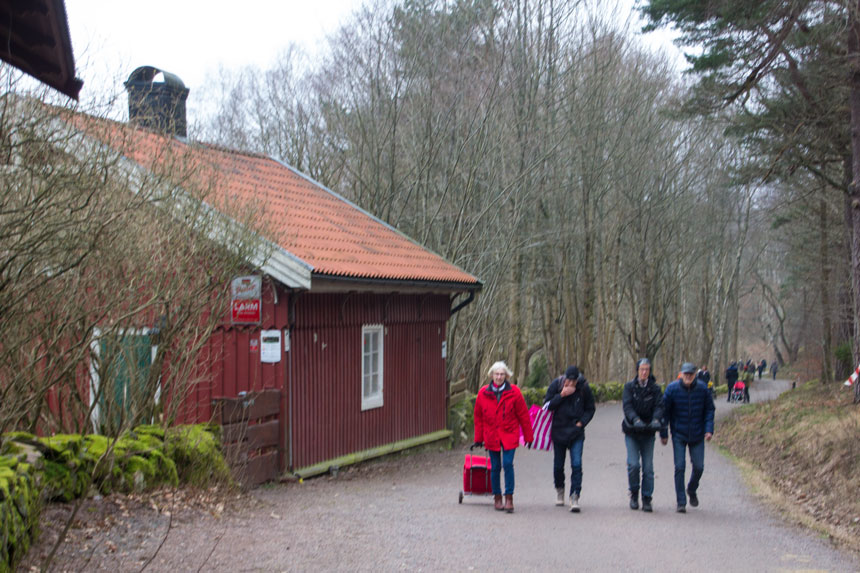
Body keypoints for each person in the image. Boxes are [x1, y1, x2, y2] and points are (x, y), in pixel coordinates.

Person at [472, 361, 534, 513]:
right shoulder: (483, 393)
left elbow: (523, 415)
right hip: (491, 434)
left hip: (509, 433)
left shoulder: (514, 392)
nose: (499, 377)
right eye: (496, 374)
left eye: (502, 374)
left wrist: (528, 436)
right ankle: (497, 497)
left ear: (506, 376)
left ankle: (509, 497)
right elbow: (478, 417)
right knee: (495, 467)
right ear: (491, 375)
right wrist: (478, 438)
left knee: (507, 464)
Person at [662, 362, 715, 513]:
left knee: (699, 467)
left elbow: (709, 410)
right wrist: (664, 433)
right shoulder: (672, 389)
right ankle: (681, 502)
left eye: (691, 374)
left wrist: (708, 430)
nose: (688, 377)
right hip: (679, 433)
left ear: (695, 375)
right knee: (679, 467)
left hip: (697, 434)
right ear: (681, 374)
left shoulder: (703, 389)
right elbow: (664, 412)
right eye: (686, 374)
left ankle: (691, 489)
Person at [544, 365, 596, 512]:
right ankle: (560, 490)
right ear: (564, 378)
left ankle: (575, 496)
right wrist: (561, 395)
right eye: (569, 380)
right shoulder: (556, 385)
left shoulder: (584, 388)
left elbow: (590, 409)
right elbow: (547, 406)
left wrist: (581, 423)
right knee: (558, 465)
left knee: (577, 464)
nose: (571, 383)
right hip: (558, 430)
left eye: (574, 381)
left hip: (576, 432)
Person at [621, 358, 667, 513]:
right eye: (642, 369)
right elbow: (627, 406)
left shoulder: (655, 388)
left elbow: (659, 406)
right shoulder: (629, 387)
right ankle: (634, 493)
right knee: (634, 465)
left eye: (647, 369)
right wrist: (635, 419)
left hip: (648, 432)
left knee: (648, 468)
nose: (644, 372)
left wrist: (656, 420)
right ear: (637, 370)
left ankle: (647, 497)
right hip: (632, 431)